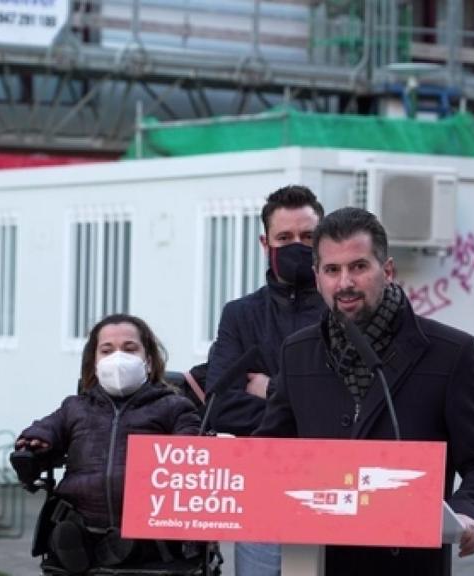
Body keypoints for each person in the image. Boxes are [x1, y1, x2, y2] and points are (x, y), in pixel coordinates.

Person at [255, 207, 474, 576]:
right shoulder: (297, 352)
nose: (345, 282)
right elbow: (272, 452)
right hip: (315, 561)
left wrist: (469, 513)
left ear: (387, 271)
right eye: (332, 270)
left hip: (407, 563)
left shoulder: (451, 353)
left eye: (358, 267)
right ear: (317, 278)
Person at [16, 314, 200, 572]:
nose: (118, 358)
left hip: (148, 519)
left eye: (129, 348)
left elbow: (193, 446)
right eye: (107, 350)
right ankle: (83, 547)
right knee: (71, 526)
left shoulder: (174, 406)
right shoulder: (75, 407)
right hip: (82, 516)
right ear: (94, 363)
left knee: (138, 533)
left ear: (147, 360)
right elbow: (46, 427)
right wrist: (34, 440)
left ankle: (121, 547)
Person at [205, 184, 326, 575]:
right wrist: (310, 415)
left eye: (308, 237)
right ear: (265, 241)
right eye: (285, 238)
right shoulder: (240, 315)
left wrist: (270, 390)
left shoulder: (344, 314)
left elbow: (357, 405)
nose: (297, 246)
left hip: (332, 487)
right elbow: (220, 404)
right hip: (261, 490)